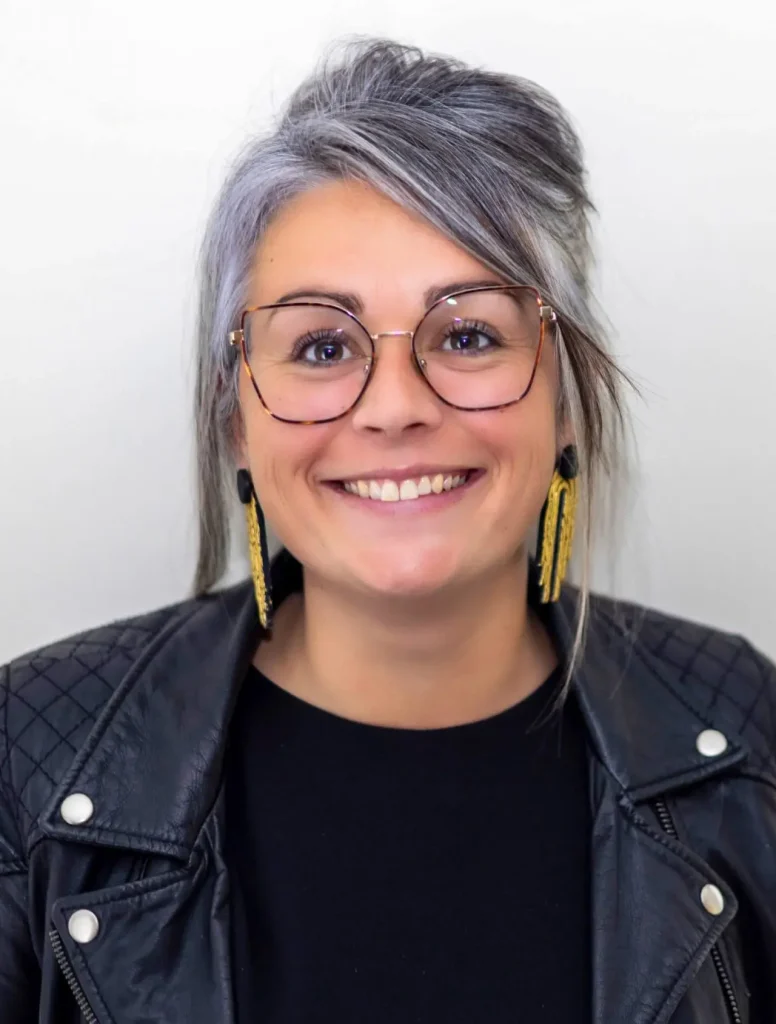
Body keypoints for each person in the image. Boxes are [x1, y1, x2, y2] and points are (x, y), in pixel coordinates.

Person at [1, 37, 774, 1024]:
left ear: (567, 400)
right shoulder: (26, 756)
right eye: (323, 346)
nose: (396, 406)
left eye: (468, 334)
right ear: (236, 419)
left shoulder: (744, 735)